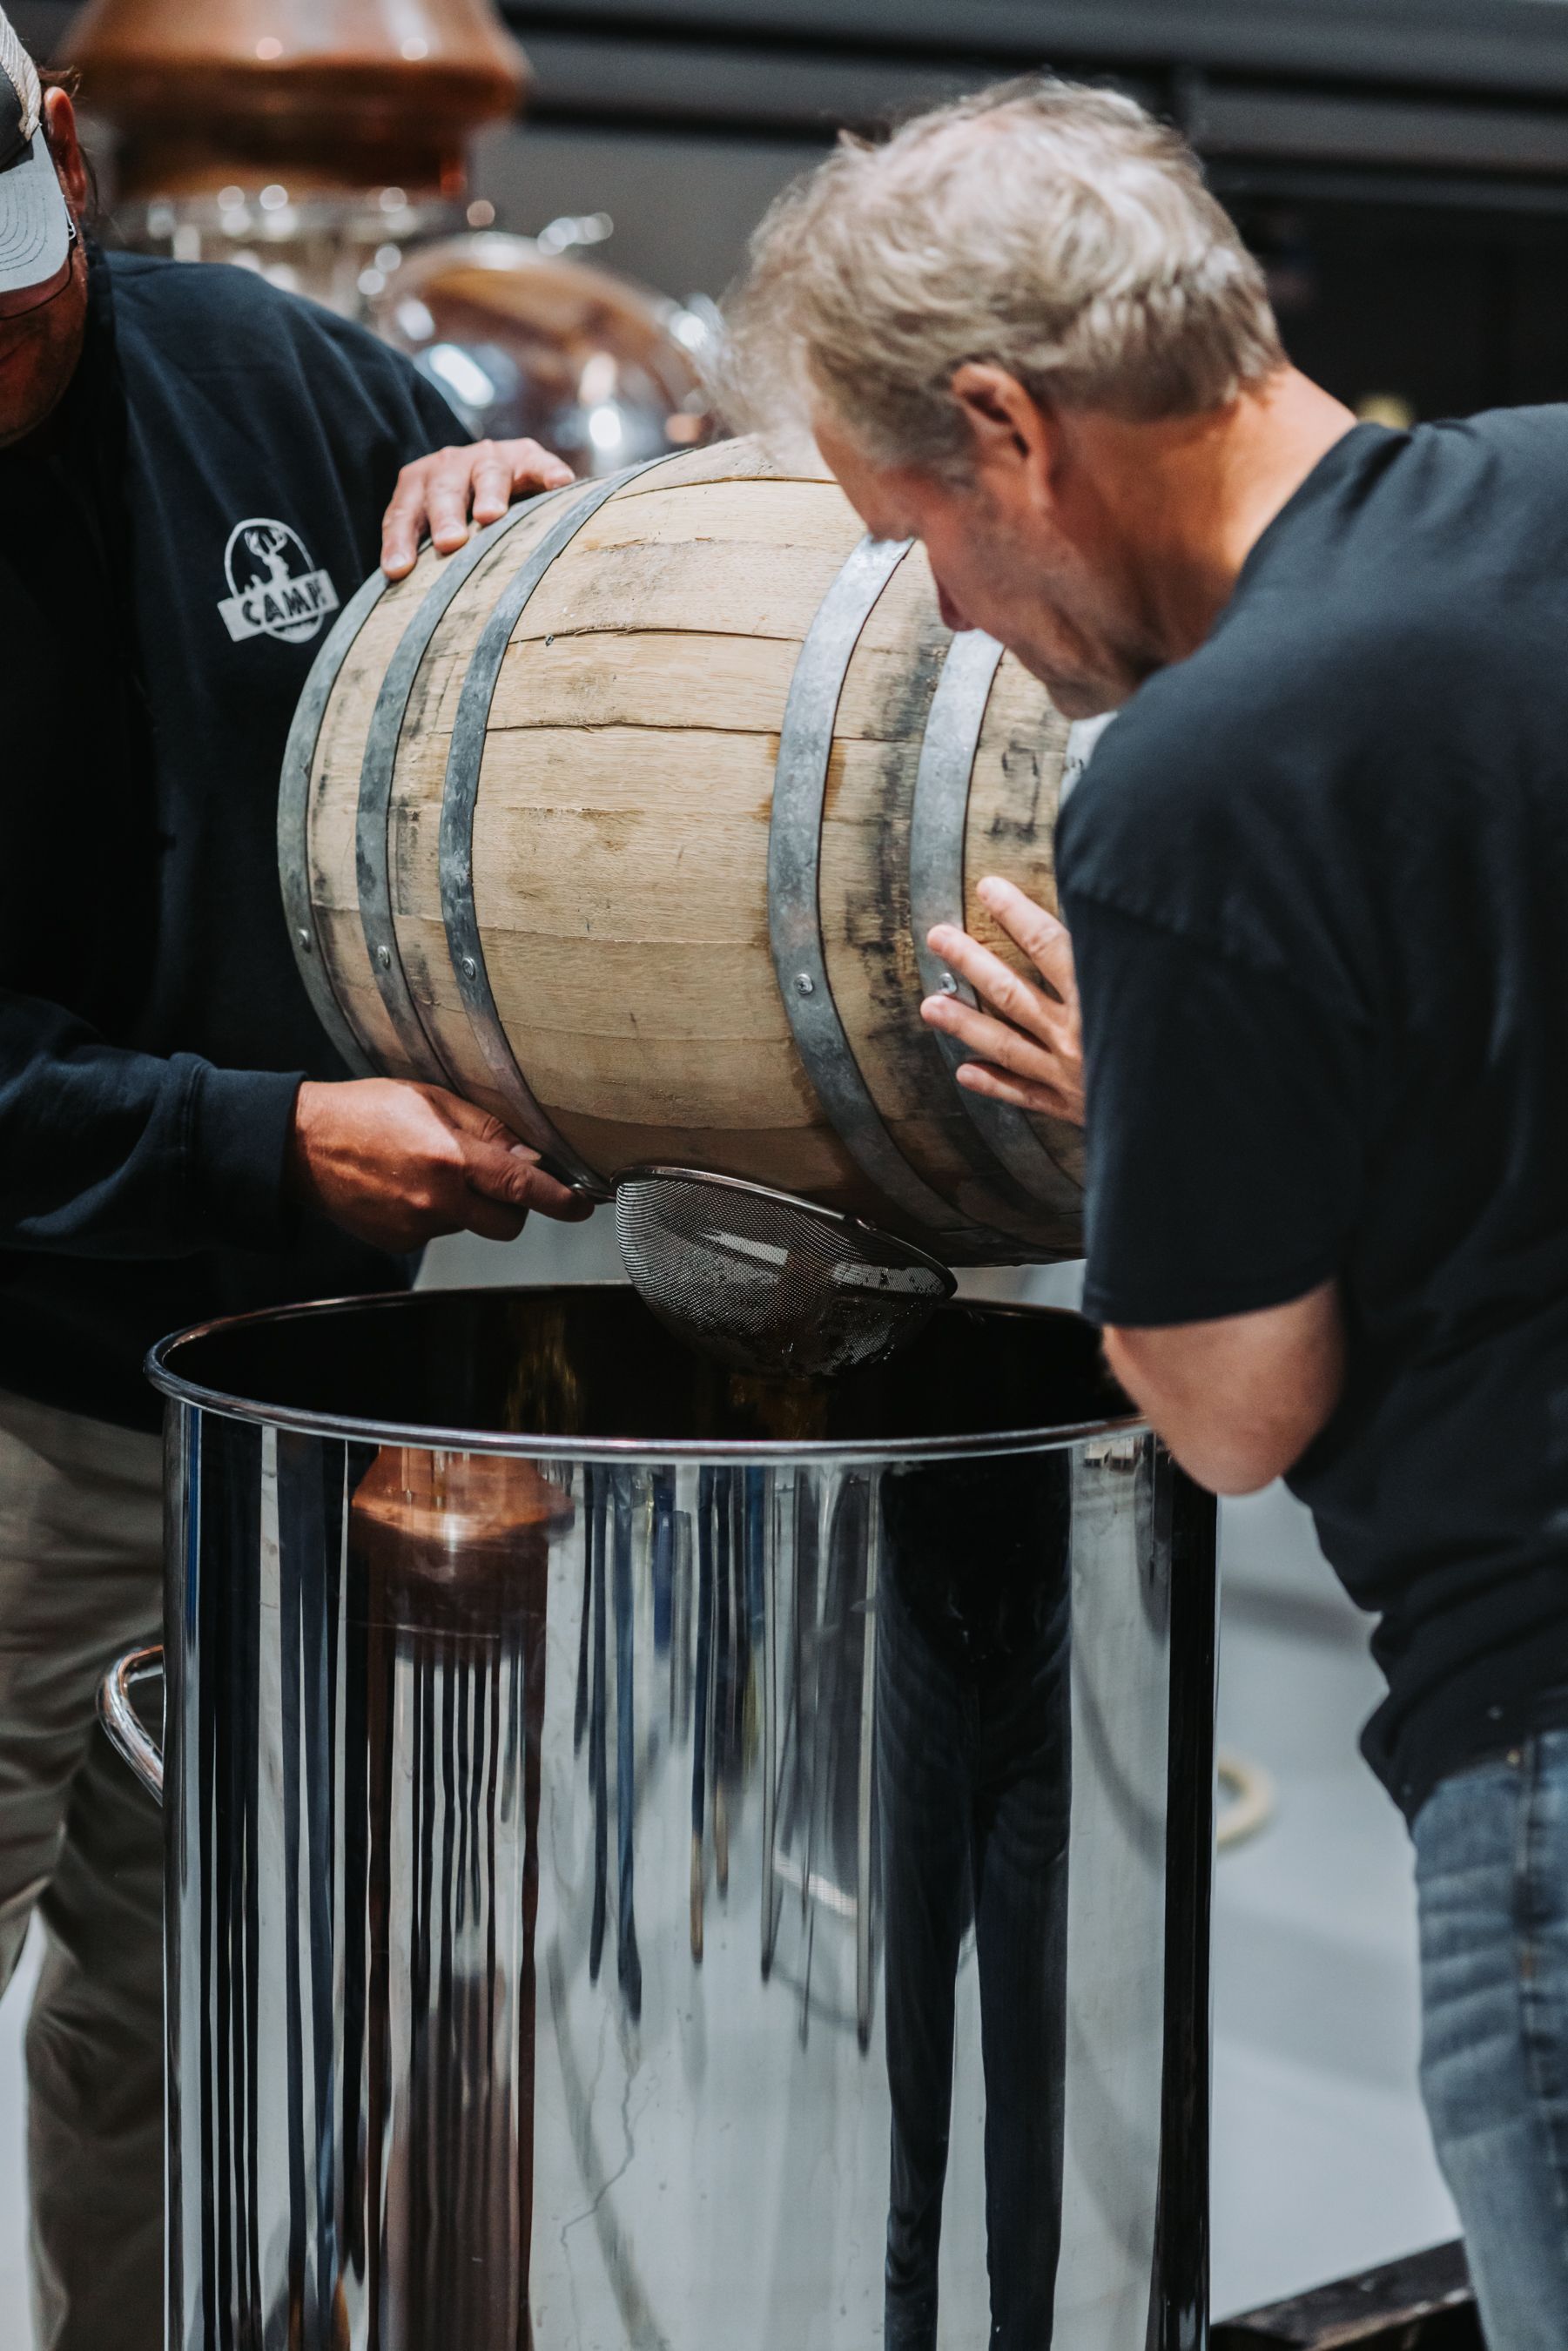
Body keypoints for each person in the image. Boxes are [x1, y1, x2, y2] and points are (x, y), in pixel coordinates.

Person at [722, 76, 1568, 2351]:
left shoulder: (1195, 790)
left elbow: (1228, 1408)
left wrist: (1147, 1124)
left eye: (904, 532)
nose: (941, 614)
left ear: (1005, 429)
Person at [0, 18, 591, 2346]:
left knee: (199, 1973)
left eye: (11, 293)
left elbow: (519, 670)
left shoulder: (276, 376)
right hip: (17, 1394)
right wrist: (267, 1139)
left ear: (65, 148)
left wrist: (513, 515)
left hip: (297, 1394)